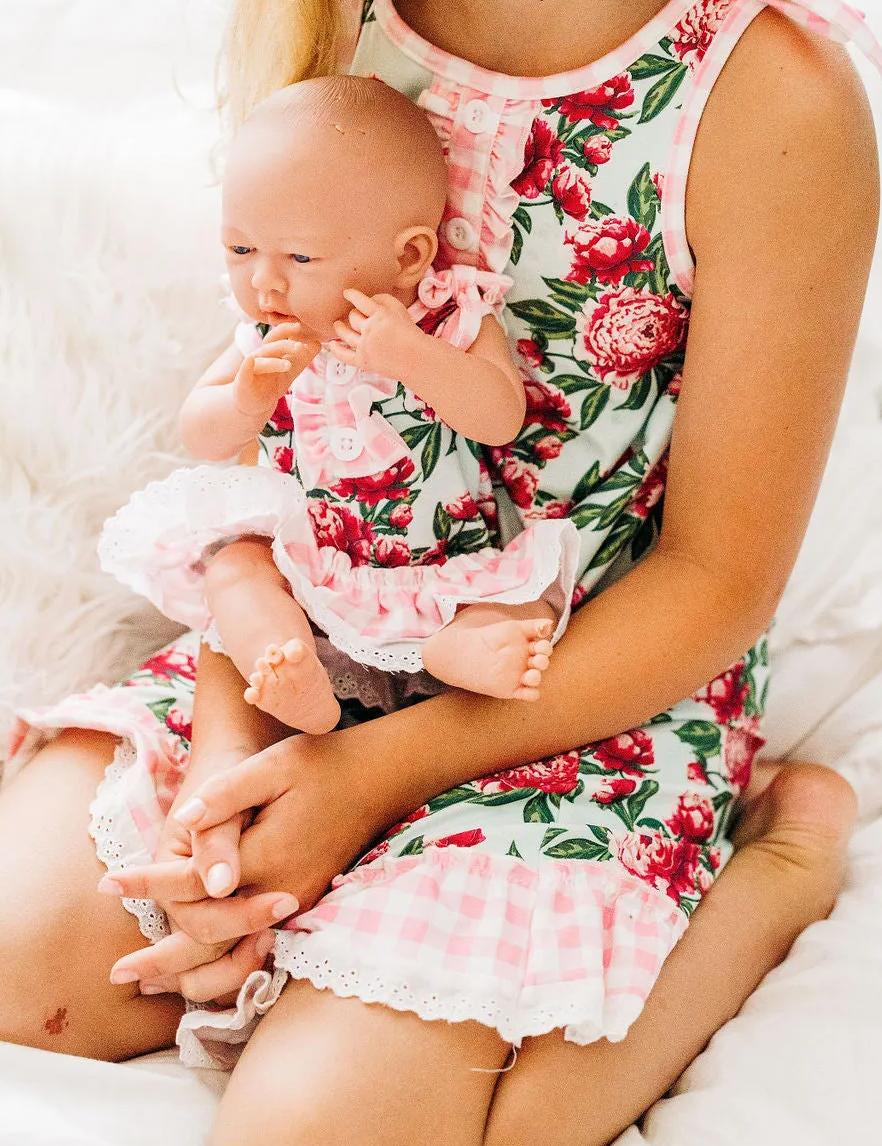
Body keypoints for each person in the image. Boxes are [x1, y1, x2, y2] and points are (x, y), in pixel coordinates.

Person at [0, 0, 882, 1146]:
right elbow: (274, 465)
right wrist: (247, 771)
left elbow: (715, 580)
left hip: (579, 686)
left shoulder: (771, 91)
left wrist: (372, 782)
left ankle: (769, 884)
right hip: (324, 631)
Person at [98, 76, 577, 733]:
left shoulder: (449, 319)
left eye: (298, 255)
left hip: (439, 569)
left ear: (408, 256)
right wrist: (248, 397)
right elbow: (200, 434)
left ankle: (455, 652)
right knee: (236, 570)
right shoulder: (267, 337)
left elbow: (499, 419)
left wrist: (409, 355)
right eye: (240, 249)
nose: (263, 279)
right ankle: (284, 666)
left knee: (528, 603)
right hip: (305, 575)